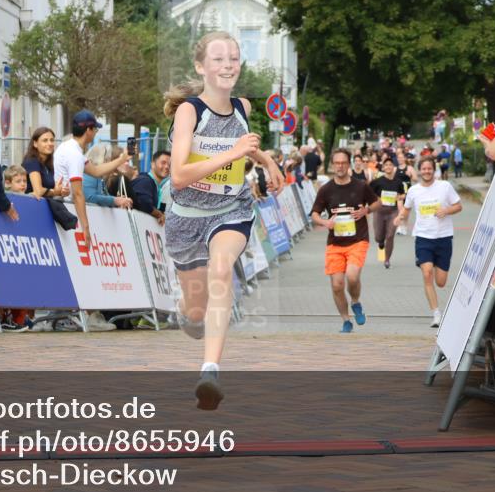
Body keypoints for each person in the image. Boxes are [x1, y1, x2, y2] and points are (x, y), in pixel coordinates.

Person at [163, 31, 284, 410]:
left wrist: (264, 159)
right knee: (196, 312)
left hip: (231, 210)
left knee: (221, 271)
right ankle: (184, 310)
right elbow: (180, 175)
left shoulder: (243, 107)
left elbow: (245, 144)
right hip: (186, 218)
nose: (228, 64)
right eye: (218, 58)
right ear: (201, 67)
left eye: (233, 57)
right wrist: (233, 153)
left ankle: (210, 371)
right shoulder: (190, 112)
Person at [310, 148, 380, 333]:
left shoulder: (361, 186)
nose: (340, 166)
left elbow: (376, 202)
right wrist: (325, 222)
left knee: (352, 276)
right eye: (337, 163)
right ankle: (345, 320)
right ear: (333, 165)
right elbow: (314, 214)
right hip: (335, 243)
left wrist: (366, 211)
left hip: (358, 240)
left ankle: (355, 302)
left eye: (343, 162)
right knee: (337, 284)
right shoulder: (326, 190)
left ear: (348, 165)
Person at [394, 156, 463, 328]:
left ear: (434, 170)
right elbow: (407, 209)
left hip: (444, 237)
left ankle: (438, 308)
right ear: (419, 170)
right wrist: (400, 218)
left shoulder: (444, 187)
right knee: (427, 273)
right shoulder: (414, 191)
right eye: (423, 169)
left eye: (429, 168)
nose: (426, 171)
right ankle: (436, 313)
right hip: (423, 237)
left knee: (440, 282)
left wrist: (446, 210)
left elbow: (458, 206)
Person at [53, 111, 130, 251]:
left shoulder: (67, 147)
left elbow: (96, 171)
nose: (95, 133)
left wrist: (121, 159)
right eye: (95, 129)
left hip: (63, 206)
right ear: (88, 130)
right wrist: (86, 227)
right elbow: (77, 193)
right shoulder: (75, 154)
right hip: (68, 209)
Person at [370, 158, 404, 269]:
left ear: (393, 167)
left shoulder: (398, 182)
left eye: (390, 165)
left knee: (390, 236)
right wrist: (376, 198)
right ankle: (380, 242)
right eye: (386, 165)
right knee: (378, 236)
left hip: (392, 212)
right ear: (383, 168)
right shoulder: (377, 182)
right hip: (379, 212)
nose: (388, 167)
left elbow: (402, 195)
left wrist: (400, 198)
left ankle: (387, 259)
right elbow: (369, 194)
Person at [23, 127, 69, 199]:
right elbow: (38, 191)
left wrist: (63, 191)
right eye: (45, 140)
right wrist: (55, 192)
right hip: (32, 206)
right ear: (35, 143)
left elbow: (54, 188)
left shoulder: (50, 163)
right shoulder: (31, 161)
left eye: (52, 140)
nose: (50, 143)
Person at [83, 143, 134, 209]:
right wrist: (115, 200)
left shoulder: (99, 176)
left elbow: (104, 195)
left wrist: (119, 200)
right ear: (102, 158)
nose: (110, 163)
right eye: (108, 159)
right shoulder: (89, 174)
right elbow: (89, 197)